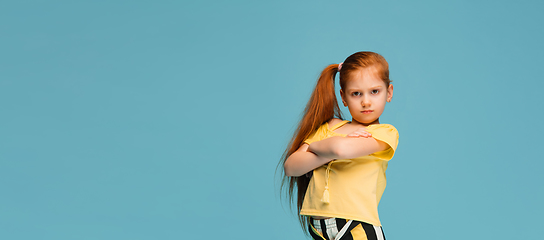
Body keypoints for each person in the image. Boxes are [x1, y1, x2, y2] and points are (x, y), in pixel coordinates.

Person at [279, 51, 399, 240]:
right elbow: (291, 167)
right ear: (343, 97)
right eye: (356, 93)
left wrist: (314, 147)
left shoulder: (384, 133)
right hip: (320, 229)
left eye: (374, 91)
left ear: (389, 92)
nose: (365, 101)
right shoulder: (330, 126)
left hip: (357, 227)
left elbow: (340, 149)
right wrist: (328, 147)